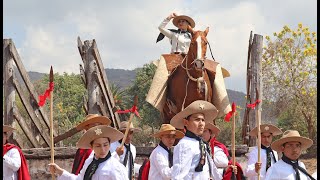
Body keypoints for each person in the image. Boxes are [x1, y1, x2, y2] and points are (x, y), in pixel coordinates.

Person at [49, 125, 128, 180]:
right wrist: (60, 171)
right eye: (98, 146)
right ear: (91, 147)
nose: (103, 150)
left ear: (109, 144)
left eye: (105, 145)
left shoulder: (116, 167)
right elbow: (80, 179)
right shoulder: (90, 161)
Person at [170, 100, 222, 179]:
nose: (201, 123)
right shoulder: (185, 144)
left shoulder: (200, 143)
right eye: (197, 120)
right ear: (186, 122)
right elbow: (178, 176)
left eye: (203, 120)